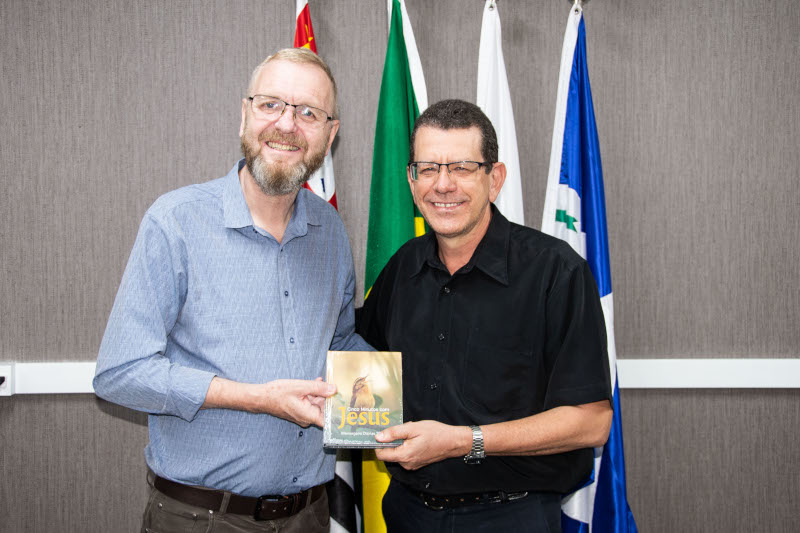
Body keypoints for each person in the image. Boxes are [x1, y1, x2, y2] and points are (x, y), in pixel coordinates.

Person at [94, 48, 371, 533]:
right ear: (245, 114)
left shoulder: (329, 230)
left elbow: (339, 344)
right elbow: (119, 373)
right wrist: (254, 397)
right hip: (202, 518)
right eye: (271, 105)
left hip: (311, 514)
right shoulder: (176, 221)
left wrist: (410, 388)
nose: (287, 124)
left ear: (330, 135)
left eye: (308, 112)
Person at [357, 99, 613, 533]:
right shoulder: (402, 268)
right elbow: (359, 356)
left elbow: (591, 422)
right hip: (406, 513)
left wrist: (461, 442)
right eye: (428, 168)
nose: (443, 185)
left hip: (512, 516)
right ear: (411, 178)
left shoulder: (555, 271)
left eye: (461, 167)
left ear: (494, 179)